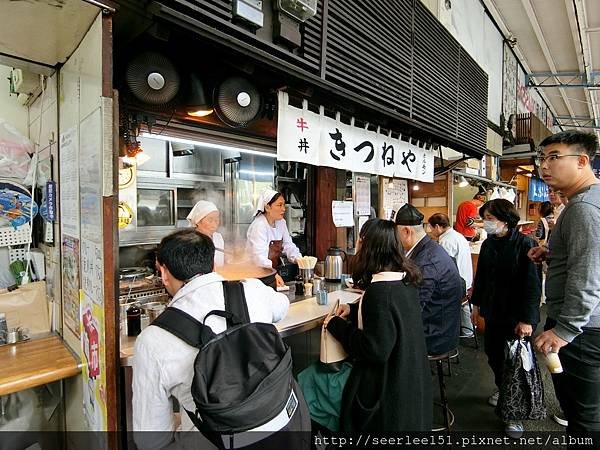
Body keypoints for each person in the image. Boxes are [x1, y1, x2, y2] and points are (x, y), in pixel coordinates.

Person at [133, 229, 290, 449]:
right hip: (283, 428)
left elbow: (151, 440)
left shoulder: (152, 340)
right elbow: (282, 306)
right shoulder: (252, 288)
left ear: (164, 273)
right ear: (212, 264)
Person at [324, 218, 432, 432]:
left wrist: (336, 325)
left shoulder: (380, 292)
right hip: (411, 382)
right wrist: (355, 310)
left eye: (360, 240)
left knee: (313, 382)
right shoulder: (405, 280)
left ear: (368, 246)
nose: (356, 245)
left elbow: (374, 350)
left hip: (386, 396)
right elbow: (393, 319)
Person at [530, 130, 600, 436]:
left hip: (583, 332)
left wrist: (565, 330)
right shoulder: (587, 202)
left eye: (555, 157)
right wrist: (551, 253)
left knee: (583, 419)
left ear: (582, 161)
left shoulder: (584, 209)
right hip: (590, 324)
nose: (545, 166)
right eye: (543, 158)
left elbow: (589, 274)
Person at [470, 199, 541, 436]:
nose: (486, 223)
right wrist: (476, 305)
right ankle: (504, 389)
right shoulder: (489, 243)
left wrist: (528, 320)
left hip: (516, 316)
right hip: (493, 312)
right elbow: (481, 276)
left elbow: (533, 287)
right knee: (494, 355)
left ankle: (514, 415)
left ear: (506, 220)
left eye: (490, 219)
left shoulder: (525, 244)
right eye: (485, 218)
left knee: (516, 365)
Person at [395, 204, 463, 355]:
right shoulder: (430, 248)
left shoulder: (426, 261)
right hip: (443, 326)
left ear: (406, 231)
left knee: (380, 339)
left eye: (396, 234)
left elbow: (413, 308)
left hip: (435, 334)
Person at [428, 213, 474, 338]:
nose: (431, 231)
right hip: (466, 280)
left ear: (437, 226)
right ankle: (468, 331)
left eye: (431, 228)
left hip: (457, 284)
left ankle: (443, 334)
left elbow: (442, 267)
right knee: (463, 306)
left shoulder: (446, 241)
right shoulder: (458, 235)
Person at [246, 189, 302, 287]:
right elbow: (259, 258)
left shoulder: (281, 223)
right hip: (256, 276)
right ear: (267, 207)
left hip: (270, 274)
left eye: (284, 205)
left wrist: (300, 260)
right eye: (279, 205)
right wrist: (273, 275)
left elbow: (288, 245)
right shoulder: (259, 226)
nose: (284, 209)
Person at [187, 200, 225, 267]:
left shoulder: (218, 237)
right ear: (198, 221)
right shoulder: (189, 240)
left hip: (218, 276)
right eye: (210, 220)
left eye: (217, 220)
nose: (214, 224)